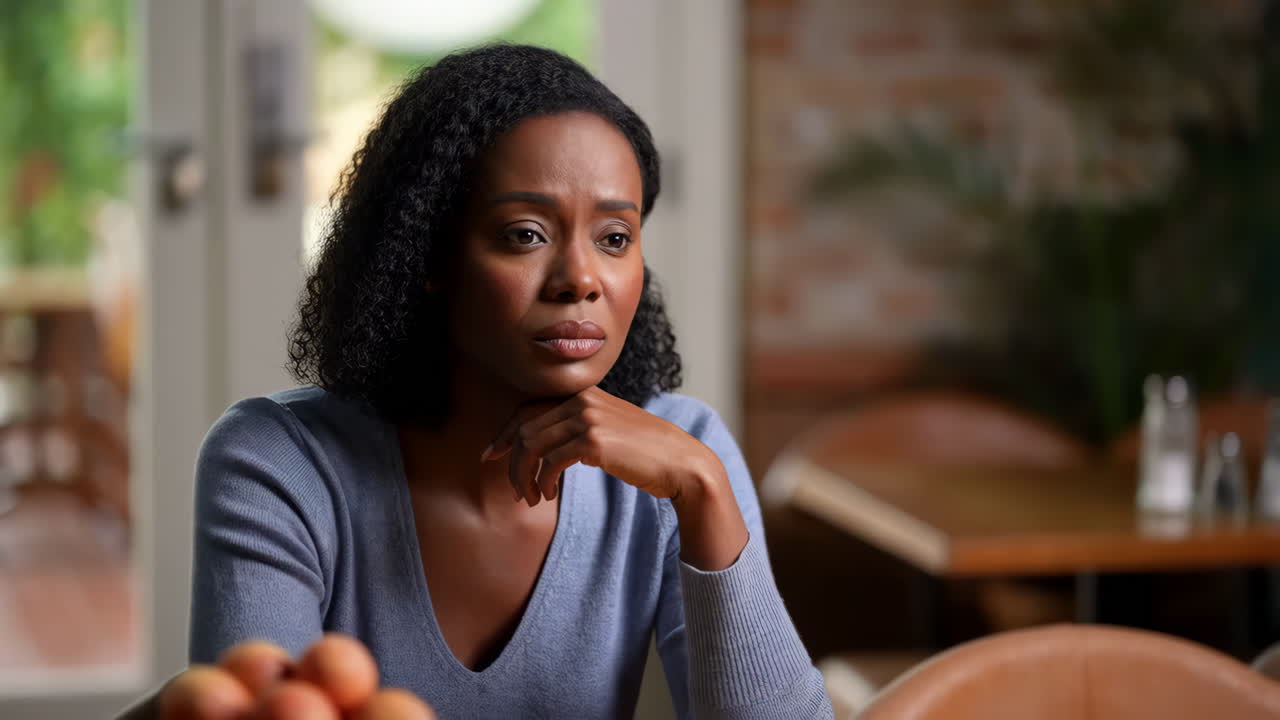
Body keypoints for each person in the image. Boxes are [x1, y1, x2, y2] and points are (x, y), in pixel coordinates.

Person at [121, 43, 832, 719]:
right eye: (525, 233)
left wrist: (704, 490)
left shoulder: (686, 450)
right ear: (426, 255)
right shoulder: (280, 464)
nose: (581, 278)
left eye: (614, 238)